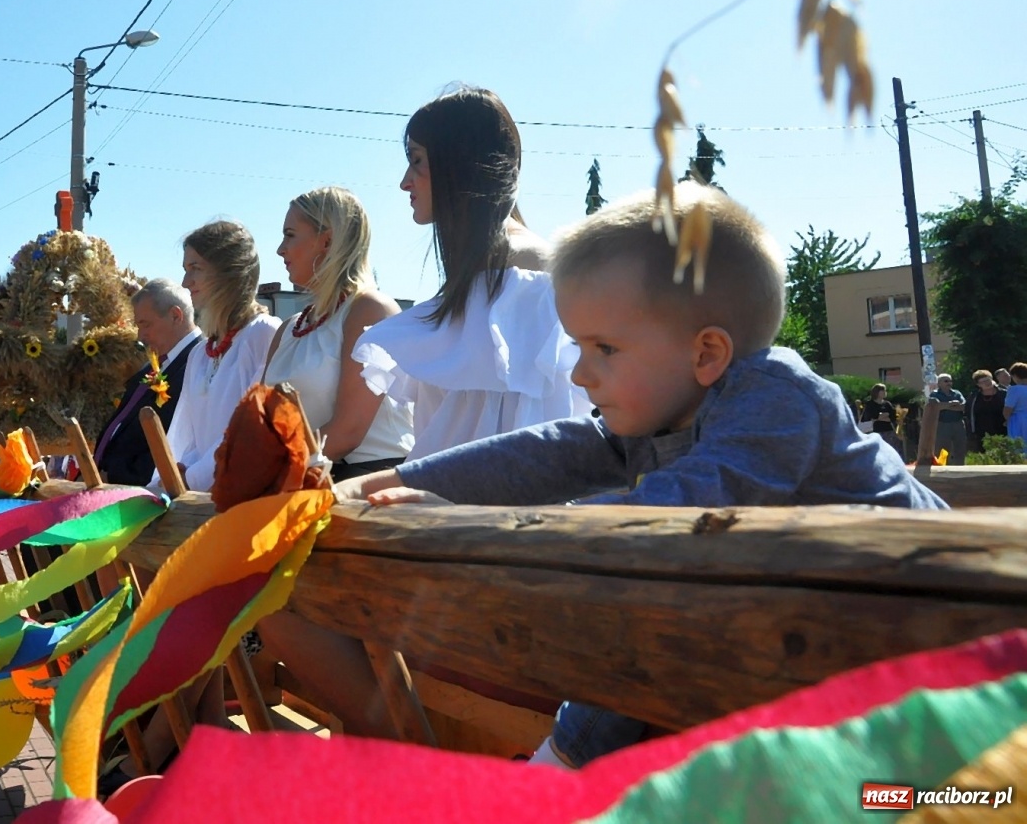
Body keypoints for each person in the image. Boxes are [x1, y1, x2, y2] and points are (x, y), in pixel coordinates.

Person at [336, 184, 945, 768]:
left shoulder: (775, 400)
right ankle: (566, 766)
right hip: (821, 640)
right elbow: (551, 452)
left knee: (652, 617)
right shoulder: (665, 414)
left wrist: (469, 530)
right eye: (577, 347)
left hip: (942, 634)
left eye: (604, 348)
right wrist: (381, 482)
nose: (579, 375)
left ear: (706, 353)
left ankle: (560, 772)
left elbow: (678, 516)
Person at [351, 87, 584, 460]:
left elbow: (524, 448)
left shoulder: (525, 272)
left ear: (458, 165)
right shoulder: (485, 272)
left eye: (417, 161)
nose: (405, 181)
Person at [263, 187, 412, 478]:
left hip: (369, 490)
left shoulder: (371, 310)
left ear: (327, 241)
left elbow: (348, 431)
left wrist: (265, 471)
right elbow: (262, 421)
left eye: (290, 234)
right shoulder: (288, 329)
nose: (280, 249)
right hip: (298, 480)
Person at [159, 221, 280, 492]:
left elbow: (249, 432)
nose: (185, 283)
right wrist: (165, 480)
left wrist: (188, 479)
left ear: (229, 272)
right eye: (185, 270)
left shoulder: (264, 334)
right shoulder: (200, 353)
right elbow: (185, 439)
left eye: (196, 269)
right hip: (199, 499)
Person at [92, 279, 201, 486]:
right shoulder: (156, 363)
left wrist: (117, 477)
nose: (141, 336)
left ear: (175, 316)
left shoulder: (199, 361)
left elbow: (176, 439)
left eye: (146, 324)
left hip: (144, 495)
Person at [930, 374, 968, 464]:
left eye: (950, 381)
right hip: (942, 424)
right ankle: (943, 469)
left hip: (958, 424)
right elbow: (935, 406)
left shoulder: (957, 393)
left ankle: (960, 468)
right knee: (942, 449)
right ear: (939, 383)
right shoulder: (934, 394)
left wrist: (945, 406)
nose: (949, 383)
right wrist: (951, 404)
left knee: (960, 448)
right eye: (946, 381)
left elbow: (964, 407)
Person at [968, 368, 1008, 452]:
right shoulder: (974, 396)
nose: (987, 383)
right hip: (982, 433)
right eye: (983, 382)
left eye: (988, 379)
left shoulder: (1004, 393)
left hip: (1002, 430)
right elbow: (969, 413)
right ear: (978, 385)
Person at [859, 383, 899, 456]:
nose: (884, 392)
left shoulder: (887, 404)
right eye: (882, 391)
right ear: (877, 392)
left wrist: (881, 417)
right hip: (876, 431)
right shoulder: (870, 404)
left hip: (888, 430)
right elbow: (870, 417)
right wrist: (881, 417)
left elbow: (893, 416)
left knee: (890, 450)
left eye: (885, 390)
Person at [1004, 362, 1027, 445]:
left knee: (1019, 445)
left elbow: (1008, 409)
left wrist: (1007, 419)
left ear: (1015, 376)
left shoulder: (1015, 390)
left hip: (1019, 420)